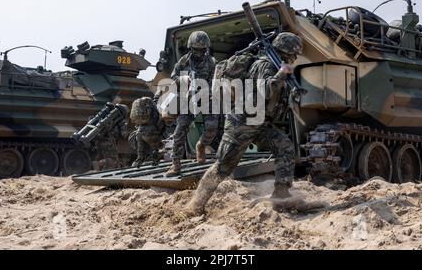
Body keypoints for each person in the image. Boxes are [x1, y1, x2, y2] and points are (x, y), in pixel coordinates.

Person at [185, 32, 304, 215]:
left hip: (260, 122)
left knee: (284, 147)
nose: (295, 58)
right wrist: (281, 74)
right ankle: (195, 205)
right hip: (241, 122)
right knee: (223, 167)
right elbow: (264, 89)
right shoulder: (265, 65)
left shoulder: (274, 65)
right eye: (294, 54)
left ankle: (281, 194)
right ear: (287, 52)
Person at [166, 31, 219, 177]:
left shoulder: (211, 62)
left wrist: (208, 90)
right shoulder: (184, 61)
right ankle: (175, 164)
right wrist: (183, 81)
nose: (200, 52)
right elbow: (174, 76)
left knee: (212, 127)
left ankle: (201, 145)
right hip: (188, 99)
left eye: (202, 49)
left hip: (206, 98)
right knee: (179, 131)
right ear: (191, 48)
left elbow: (216, 79)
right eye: (196, 49)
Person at [129, 96, 164, 168]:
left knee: (140, 149)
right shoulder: (154, 108)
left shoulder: (141, 107)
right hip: (150, 131)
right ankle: (155, 161)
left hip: (139, 132)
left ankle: (138, 161)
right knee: (156, 148)